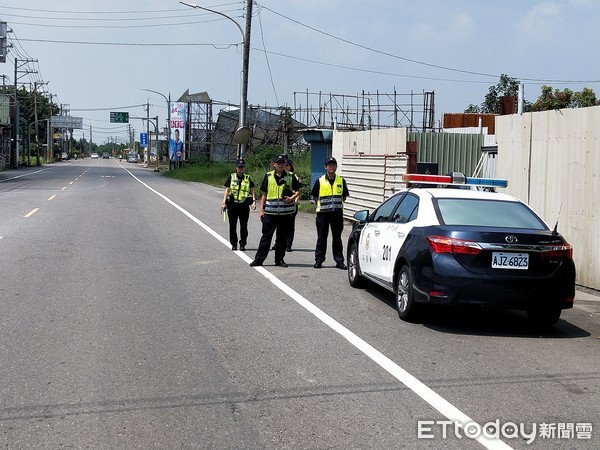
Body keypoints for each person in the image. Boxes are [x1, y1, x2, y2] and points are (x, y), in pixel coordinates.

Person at [250, 154, 301, 267]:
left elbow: (298, 190)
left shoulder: (290, 176)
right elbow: (264, 194)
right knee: (266, 237)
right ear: (274, 164)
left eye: (282, 163)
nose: (281, 165)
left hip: (285, 214)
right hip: (270, 213)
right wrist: (261, 210)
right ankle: (259, 260)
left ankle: (279, 259)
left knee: (282, 239)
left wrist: (292, 198)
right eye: (278, 163)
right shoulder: (268, 176)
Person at [311, 156, 350, 269]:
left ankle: (339, 261)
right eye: (329, 165)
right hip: (323, 214)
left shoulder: (341, 180)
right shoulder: (320, 180)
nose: (331, 167)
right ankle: (319, 260)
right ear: (325, 167)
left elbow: (344, 196)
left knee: (337, 238)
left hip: (337, 213)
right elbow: (315, 196)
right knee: (321, 238)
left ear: (336, 167)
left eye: (333, 165)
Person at [222, 158, 256, 251]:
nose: (240, 169)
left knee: (244, 226)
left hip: (244, 205)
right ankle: (234, 244)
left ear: (243, 168)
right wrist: (224, 202)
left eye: (242, 167)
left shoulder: (247, 178)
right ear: (236, 168)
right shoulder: (232, 177)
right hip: (233, 205)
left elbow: (252, 190)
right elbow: (227, 190)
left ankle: (242, 244)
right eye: (239, 167)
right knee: (232, 225)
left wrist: (254, 201)